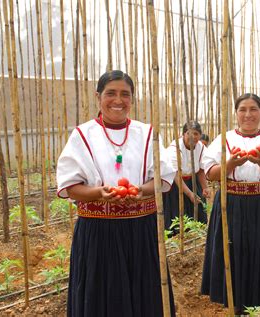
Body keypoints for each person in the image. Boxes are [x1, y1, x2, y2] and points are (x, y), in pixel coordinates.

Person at [56, 70, 176, 316]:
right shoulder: (82, 134)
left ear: (132, 99)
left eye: (125, 94)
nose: (118, 100)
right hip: (99, 232)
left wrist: (141, 190)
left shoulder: (147, 133)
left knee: (144, 294)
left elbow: (162, 179)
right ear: (98, 96)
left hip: (141, 229)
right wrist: (98, 192)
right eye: (111, 93)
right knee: (102, 297)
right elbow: (71, 186)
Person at [201, 93, 260, 313]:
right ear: (236, 112)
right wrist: (230, 163)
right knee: (233, 249)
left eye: (253, 109)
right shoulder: (224, 139)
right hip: (231, 204)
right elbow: (211, 174)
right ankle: (235, 301)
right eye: (243, 109)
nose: (248, 114)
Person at [163, 121, 210, 231]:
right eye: (189, 133)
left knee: (199, 210)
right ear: (183, 134)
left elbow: (201, 171)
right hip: (176, 184)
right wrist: (189, 194)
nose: (193, 137)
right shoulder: (174, 148)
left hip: (193, 181)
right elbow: (175, 175)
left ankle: (197, 232)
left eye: (196, 134)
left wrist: (205, 187)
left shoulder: (201, 148)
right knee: (177, 216)